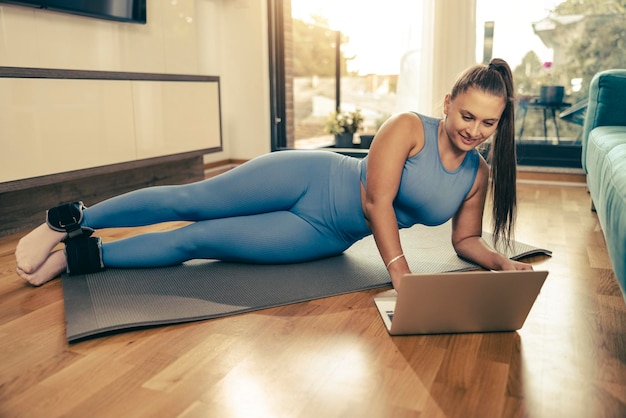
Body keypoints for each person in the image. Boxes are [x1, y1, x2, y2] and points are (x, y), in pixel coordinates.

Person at [15, 58, 532, 289]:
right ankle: (69, 220)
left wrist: (500, 263)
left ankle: (81, 258)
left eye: (488, 123)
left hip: (323, 233)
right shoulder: (407, 128)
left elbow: (465, 240)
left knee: (198, 241)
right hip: (309, 178)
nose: (474, 131)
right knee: (192, 200)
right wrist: (401, 273)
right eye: (467, 116)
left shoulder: (476, 175)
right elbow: (378, 203)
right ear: (448, 103)